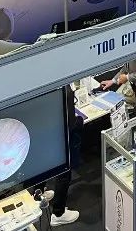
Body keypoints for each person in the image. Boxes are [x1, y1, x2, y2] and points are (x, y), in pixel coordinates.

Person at [50, 86, 82, 226]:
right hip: (62, 134)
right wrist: (79, 122)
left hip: (49, 129)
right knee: (64, 174)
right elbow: (70, 122)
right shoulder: (65, 90)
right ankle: (58, 213)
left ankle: (39, 194)